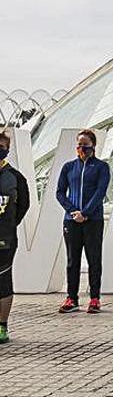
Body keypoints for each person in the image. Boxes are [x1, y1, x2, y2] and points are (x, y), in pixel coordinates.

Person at [56, 129, 111, 314]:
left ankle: (95, 298)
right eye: (79, 145)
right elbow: (60, 192)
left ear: (93, 146)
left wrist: (85, 213)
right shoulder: (68, 167)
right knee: (73, 260)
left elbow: (100, 192)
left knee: (94, 259)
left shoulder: (101, 167)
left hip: (93, 220)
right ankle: (72, 298)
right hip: (71, 220)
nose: (81, 148)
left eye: (85, 145)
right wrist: (73, 212)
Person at [0, 130, 31, 344]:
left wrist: (9, 226)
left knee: (3, 281)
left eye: (1, 146)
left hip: (5, 239)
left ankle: (2, 327)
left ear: (8, 150)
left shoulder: (16, 177)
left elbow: (24, 206)